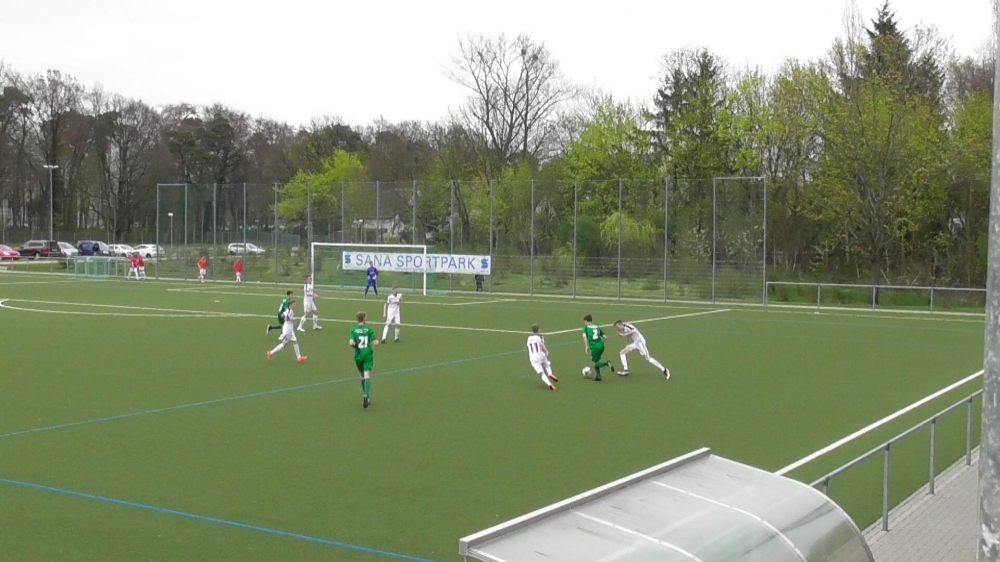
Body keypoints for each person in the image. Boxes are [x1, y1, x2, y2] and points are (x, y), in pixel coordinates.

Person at [350, 311, 380, 409]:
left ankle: (367, 396)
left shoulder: (353, 330)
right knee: (367, 376)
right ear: (363, 319)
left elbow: (351, 343)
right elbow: (375, 342)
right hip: (367, 355)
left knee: (362, 376)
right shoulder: (369, 329)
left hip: (358, 356)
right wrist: (376, 342)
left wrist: (355, 345)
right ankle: (366, 395)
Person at [266, 299, 307, 363]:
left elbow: (283, 315)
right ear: (290, 305)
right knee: (284, 344)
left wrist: (289, 319)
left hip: (290, 329)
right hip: (288, 330)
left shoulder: (290, 310)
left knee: (295, 342)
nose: (295, 305)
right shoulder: (289, 311)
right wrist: (292, 319)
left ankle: (299, 358)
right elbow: (284, 317)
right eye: (294, 304)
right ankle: (270, 353)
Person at [582, 314, 614, 381]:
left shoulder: (586, 328)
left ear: (586, 321)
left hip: (594, 347)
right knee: (596, 360)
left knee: (594, 363)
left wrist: (586, 346)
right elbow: (605, 337)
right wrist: (601, 343)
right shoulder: (596, 327)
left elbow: (584, 337)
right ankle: (598, 376)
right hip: (601, 345)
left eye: (584, 321)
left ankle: (607, 363)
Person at [526, 324, 558, 390]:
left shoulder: (529, 338)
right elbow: (541, 344)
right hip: (540, 355)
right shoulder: (538, 337)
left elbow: (527, 347)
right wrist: (546, 351)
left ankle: (549, 384)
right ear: (538, 330)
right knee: (547, 365)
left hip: (533, 358)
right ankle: (550, 374)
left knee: (542, 373)